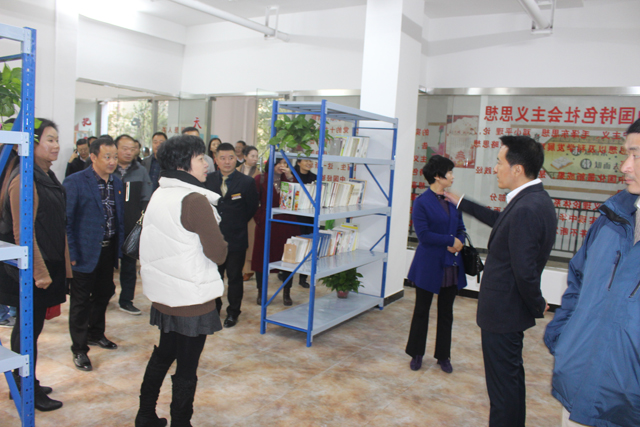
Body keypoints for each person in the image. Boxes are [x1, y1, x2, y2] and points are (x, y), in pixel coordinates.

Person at [445, 135, 556, 427]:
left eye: (499, 162)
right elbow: (501, 223)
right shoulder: (533, 200)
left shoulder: (527, 208)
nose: (495, 168)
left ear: (517, 169)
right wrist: (462, 202)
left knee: (503, 390)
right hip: (508, 311)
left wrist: (537, 303)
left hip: (504, 312)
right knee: (509, 381)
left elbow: (524, 269)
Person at [544, 118, 640, 427]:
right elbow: (578, 280)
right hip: (577, 382)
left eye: (636, 155)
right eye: (626, 154)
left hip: (627, 407)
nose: (625, 166)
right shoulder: (612, 218)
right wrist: (563, 337)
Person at [136, 134, 227, 427]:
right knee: (187, 367)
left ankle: (145, 415)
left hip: (165, 293)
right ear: (183, 163)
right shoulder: (194, 200)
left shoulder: (161, 193)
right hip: (191, 296)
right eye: (200, 158)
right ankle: (181, 422)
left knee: (164, 353)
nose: (207, 163)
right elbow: (218, 253)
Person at [0, 119, 71, 411]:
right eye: (49, 140)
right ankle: (24, 386)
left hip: (46, 263)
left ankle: (24, 382)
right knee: (27, 330)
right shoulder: (24, 179)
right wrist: (38, 273)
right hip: (30, 269)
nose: (56, 146)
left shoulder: (44, 175)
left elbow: (55, 224)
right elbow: (23, 233)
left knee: (31, 328)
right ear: (30, 143)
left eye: (57, 139)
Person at [64, 137, 125, 372]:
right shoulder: (75, 181)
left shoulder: (117, 182)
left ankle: (96, 333)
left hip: (107, 250)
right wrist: (72, 252)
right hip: (83, 251)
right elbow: (67, 222)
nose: (112, 161)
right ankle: (79, 349)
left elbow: (118, 218)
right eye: (107, 157)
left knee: (104, 292)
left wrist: (119, 250)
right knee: (80, 302)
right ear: (93, 157)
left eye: (114, 157)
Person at [405, 155, 466, 374]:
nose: (452, 176)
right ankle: (416, 353)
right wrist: (450, 241)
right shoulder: (422, 202)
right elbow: (423, 235)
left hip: (451, 264)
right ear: (438, 176)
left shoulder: (452, 200)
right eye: (449, 172)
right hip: (429, 264)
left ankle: (443, 356)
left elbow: (461, 228)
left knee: (446, 312)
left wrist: (459, 242)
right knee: (422, 310)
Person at [205, 143, 259, 328]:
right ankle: (214, 309)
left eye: (230, 158)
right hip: (213, 238)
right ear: (216, 160)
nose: (227, 162)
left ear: (236, 159)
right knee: (214, 276)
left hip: (236, 238)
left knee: (235, 278)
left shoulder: (246, 182)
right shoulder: (208, 180)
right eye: (222, 158)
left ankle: (233, 312)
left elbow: (251, 208)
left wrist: (236, 223)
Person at [112, 134, 153, 315]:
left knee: (129, 265)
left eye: (132, 149)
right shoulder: (108, 168)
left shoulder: (140, 170)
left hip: (131, 226)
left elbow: (146, 196)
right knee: (105, 264)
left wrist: (140, 221)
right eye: (124, 148)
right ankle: (104, 294)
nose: (129, 152)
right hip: (110, 226)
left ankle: (126, 300)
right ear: (116, 149)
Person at [252, 158, 298, 306]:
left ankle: (287, 292)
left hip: (287, 224)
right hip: (266, 224)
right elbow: (253, 202)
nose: (282, 166)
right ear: (271, 164)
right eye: (279, 163)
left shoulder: (290, 178)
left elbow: (299, 196)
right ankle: (261, 291)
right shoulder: (260, 179)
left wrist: (290, 177)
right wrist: (259, 218)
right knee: (262, 258)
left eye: (285, 163)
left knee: (287, 258)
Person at [292, 159, 317, 288]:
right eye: (306, 160)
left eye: (311, 161)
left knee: (308, 245)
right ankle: (284, 272)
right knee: (293, 244)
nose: (309, 163)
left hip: (309, 216)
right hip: (294, 216)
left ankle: (303, 277)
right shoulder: (292, 175)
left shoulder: (314, 178)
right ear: (299, 162)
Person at [238, 145, 260, 282]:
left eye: (256, 156)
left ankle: (248, 269)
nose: (255, 159)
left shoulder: (259, 174)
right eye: (252, 156)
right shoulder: (236, 170)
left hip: (252, 210)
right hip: (237, 209)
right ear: (245, 156)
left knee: (250, 240)